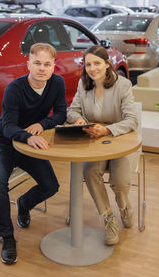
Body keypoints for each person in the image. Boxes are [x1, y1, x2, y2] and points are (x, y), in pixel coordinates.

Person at [0, 43, 67, 265]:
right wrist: (28, 136)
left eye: (47, 64)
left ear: (53, 66)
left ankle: (24, 203)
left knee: (51, 186)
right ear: (28, 64)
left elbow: (61, 114)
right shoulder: (14, 88)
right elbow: (8, 126)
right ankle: (7, 237)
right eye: (37, 63)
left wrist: (42, 123)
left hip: (30, 145)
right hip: (4, 143)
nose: (42, 68)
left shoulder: (57, 83)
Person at [67, 45, 138, 246]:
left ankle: (123, 205)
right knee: (89, 172)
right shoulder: (83, 84)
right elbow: (71, 111)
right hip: (95, 145)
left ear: (107, 64)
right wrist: (78, 119)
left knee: (120, 182)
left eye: (97, 63)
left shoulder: (123, 85)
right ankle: (108, 220)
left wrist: (107, 130)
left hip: (120, 143)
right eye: (88, 64)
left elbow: (132, 120)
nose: (92, 68)